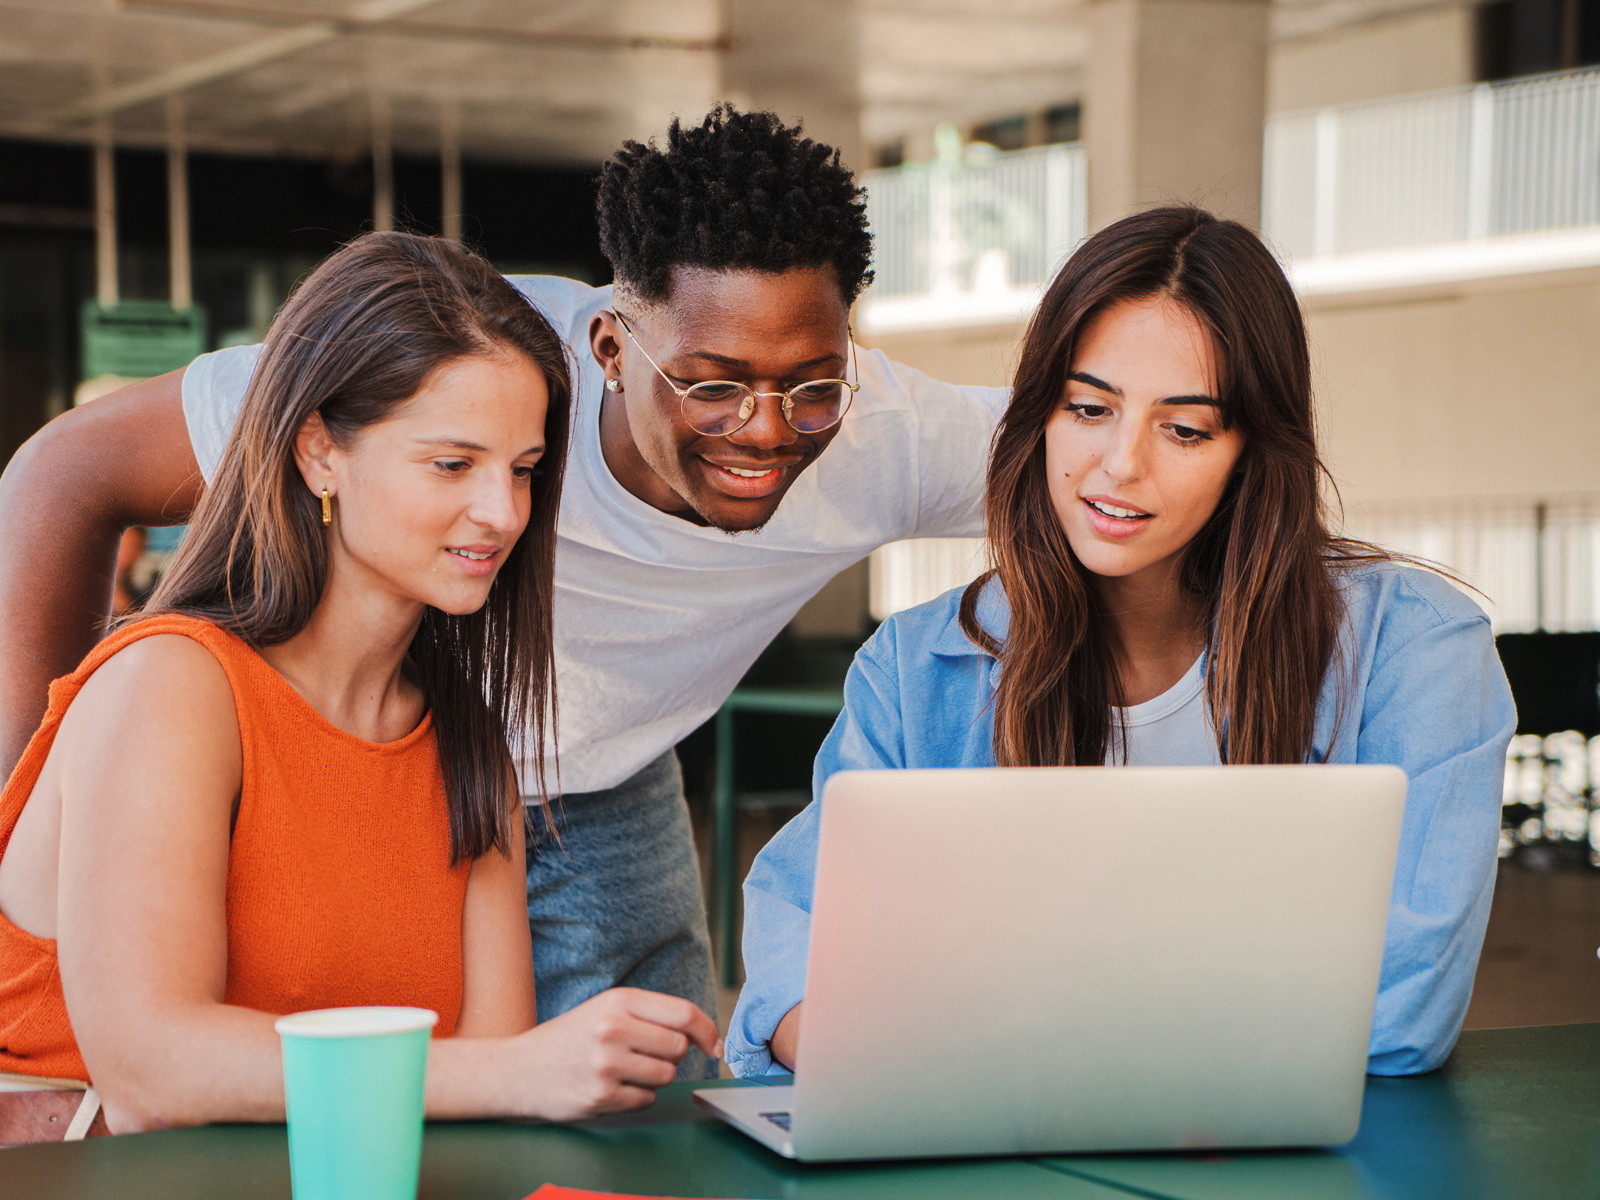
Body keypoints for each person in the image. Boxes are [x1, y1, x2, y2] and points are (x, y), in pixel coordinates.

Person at [0, 106, 1004, 1077]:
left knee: (640, 1112)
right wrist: (36, 802)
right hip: (324, 754)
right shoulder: (465, 362)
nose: (766, 427)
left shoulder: (889, 435)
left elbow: (1091, 460)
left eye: (525, 470)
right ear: (610, 351)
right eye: (711, 385)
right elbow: (64, 473)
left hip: (536, 759)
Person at [726, 205, 1517, 1080]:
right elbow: (798, 952)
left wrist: (978, 1028)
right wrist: (842, 1037)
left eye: (1185, 428)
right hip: (981, 1128)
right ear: (1039, 415)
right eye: (1089, 408)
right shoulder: (917, 671)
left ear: (1252, 451)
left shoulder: (1416, 649)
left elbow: (1402, 1011)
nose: (1120, 464)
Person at [0, 232, 718, 1139]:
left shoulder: (468, 746)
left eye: (524, 470)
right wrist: (524, 1070)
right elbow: (154, 1072)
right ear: (318, 452)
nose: (502, 512)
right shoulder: (169, 684)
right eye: (452, 464)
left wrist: (535, 1075)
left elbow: (486, 1098)